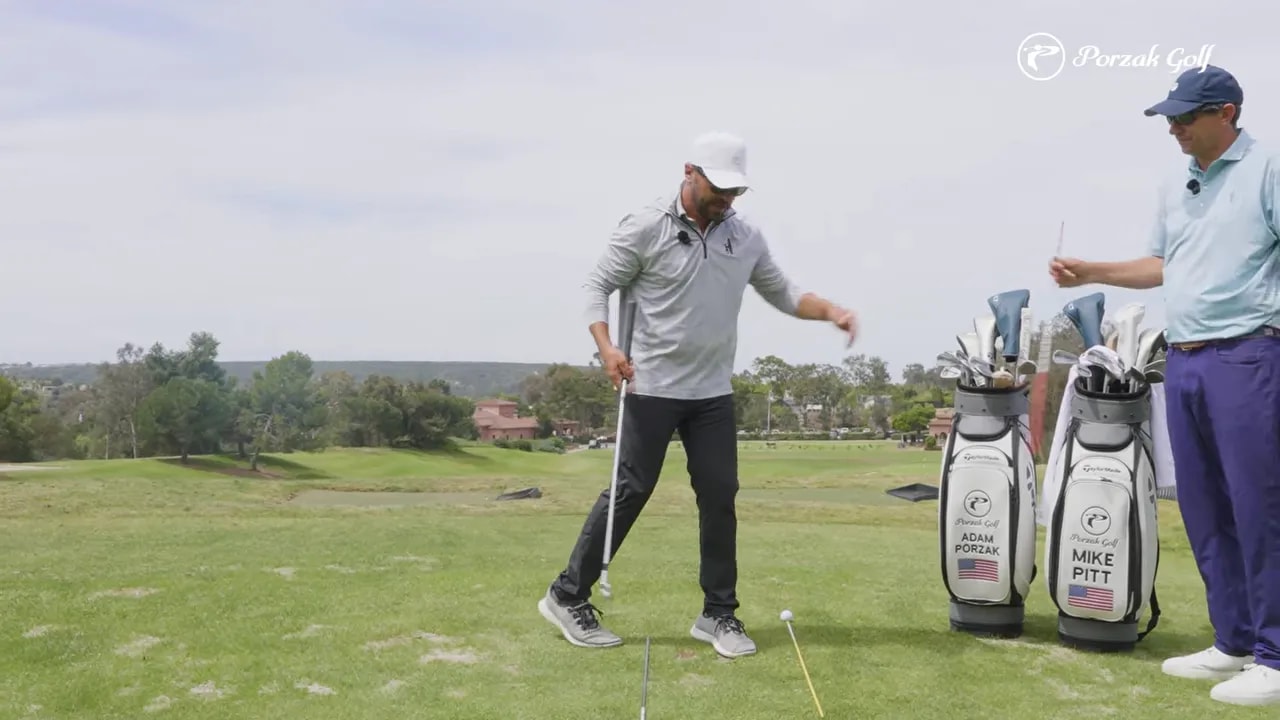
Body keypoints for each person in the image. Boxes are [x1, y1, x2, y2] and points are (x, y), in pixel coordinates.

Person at [537, 131, 858, 659]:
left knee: (719, 495)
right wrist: (606, 348)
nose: (726, 199)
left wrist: (832, 312)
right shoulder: (646, 225)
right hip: (652, 386)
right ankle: (567, 595)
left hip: (712, 392)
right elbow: (596, 287)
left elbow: (783, 292)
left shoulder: (744, 236)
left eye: (735, 191)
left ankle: (718, 614)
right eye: (718, 187)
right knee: (631, 490)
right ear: (690, 171)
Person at [1049, 65, 1280, 706]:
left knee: (1259, 506)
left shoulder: (1268, 168)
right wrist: (1091, 271)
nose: (1173, 127)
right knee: (1204, 507)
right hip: (1183, 359)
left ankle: (1276, 654)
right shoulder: (1178, 183)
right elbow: (1163, 264)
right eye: (1169, 117)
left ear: (1226, 113)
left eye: (1185, 116)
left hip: (1250, 354)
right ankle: (1234, 640)